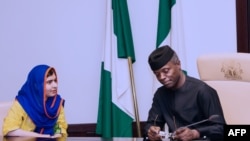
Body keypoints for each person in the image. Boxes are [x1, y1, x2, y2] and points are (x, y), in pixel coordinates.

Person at [145, 45, 226, 141]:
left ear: (178, 64)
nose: (161, 77)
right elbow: (152, 124)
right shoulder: (160, 94)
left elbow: (222, 129)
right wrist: (151, 131)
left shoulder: (202, 90)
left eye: (166, 71)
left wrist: (195, 133)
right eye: (157, 74)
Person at [2, 64, 68, 138]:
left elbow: (59, 124)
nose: (55, 85)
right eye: (49, 82)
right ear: (37, 85)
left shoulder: (56, 103)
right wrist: (40, 136)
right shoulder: (23, 103)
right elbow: (10, 130)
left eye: (55, 81)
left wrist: (57, 134)